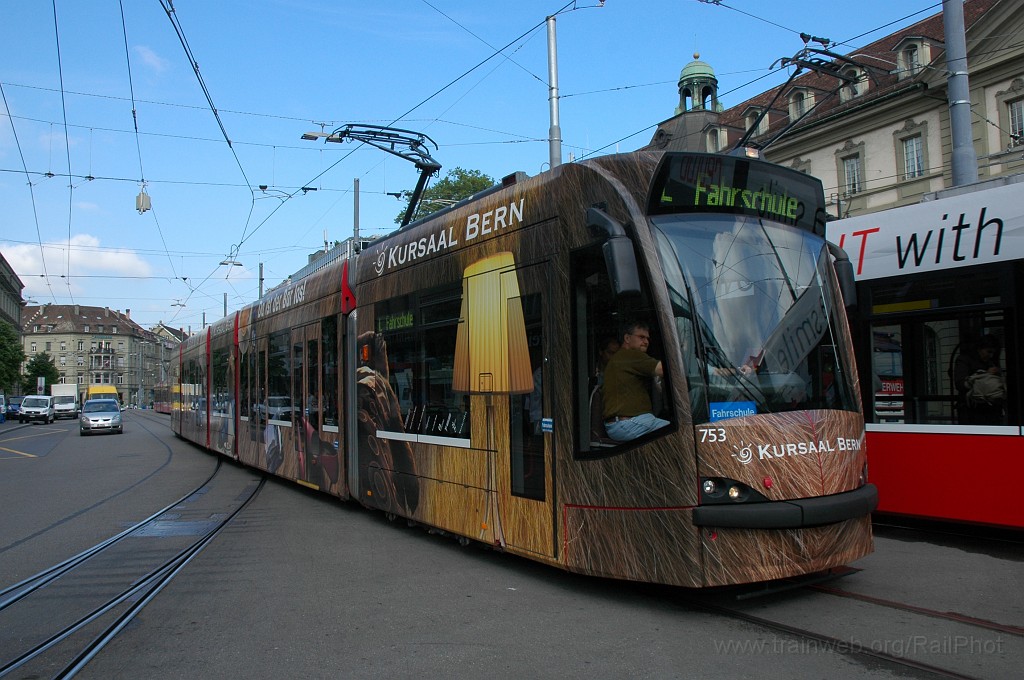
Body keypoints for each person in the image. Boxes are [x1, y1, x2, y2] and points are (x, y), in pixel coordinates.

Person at [602, 321, 670, 441]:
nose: (646, 342)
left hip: (623, 424)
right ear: (627, 338)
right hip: (628, 423)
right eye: (641, 337)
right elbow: (665, 370)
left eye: (647, 338)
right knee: (680, 433)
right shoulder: (630, 355)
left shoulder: (621, 357)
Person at [953, 334, 1005, 425]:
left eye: (993, 353)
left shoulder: (990, 363)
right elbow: (960, 384)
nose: (991, 355)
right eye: (988, 352)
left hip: (991, 410)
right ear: (979, 349)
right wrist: (985, 375)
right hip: (971, 411)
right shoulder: (965, 360)